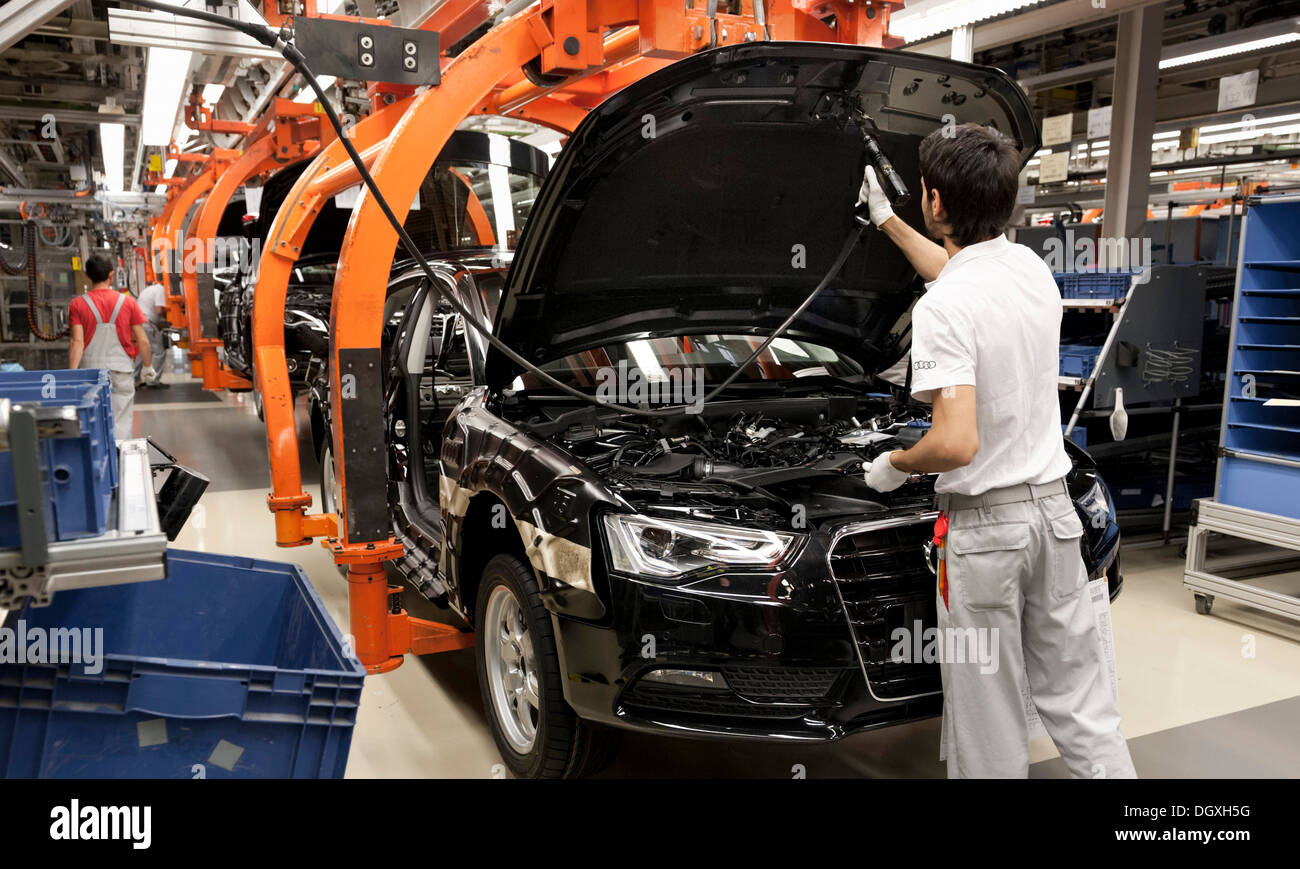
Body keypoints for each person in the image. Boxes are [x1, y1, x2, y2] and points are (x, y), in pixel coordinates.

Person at [857, 123, 1136, 779]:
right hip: (1054, 516)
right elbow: (959, 275)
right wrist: (887, 223)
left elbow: (955, 442)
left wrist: (894, 465)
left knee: (990, 726)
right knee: (1083, 709)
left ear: (935, 201)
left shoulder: (947, 305)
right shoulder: (1030, 270)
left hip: (987, 537)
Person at [68, 252, 151, 441]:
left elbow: (77, 342)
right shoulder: (128, 302)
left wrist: (72, 374)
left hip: (90, 372)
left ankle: (99, 465)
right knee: (121, 422)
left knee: (93, 420)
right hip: (121, 370)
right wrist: (147, 366)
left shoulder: (78, 304)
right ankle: (120, 461)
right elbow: (143, 340)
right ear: (111, 275)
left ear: (88, 275)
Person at [135, 279, 170, 388]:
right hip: (148, 323)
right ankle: (152, 381)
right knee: (159, 352)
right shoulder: (160, 289)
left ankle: (133, 380)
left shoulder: (149, 289)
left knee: (142, 352)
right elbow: (159, 310)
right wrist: (167, 316)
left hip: (139, 322)